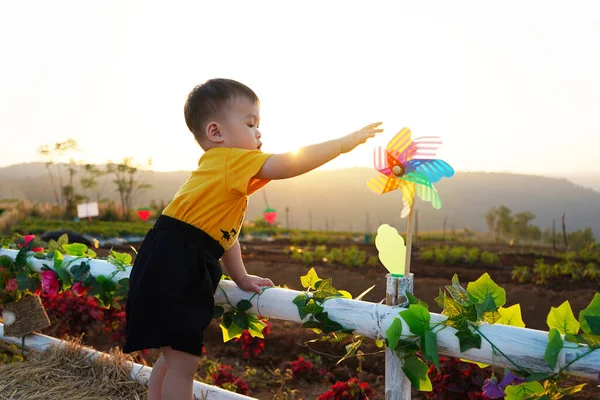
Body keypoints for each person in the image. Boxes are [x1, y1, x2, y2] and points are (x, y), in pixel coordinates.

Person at [123, 78, 383, 400]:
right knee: (184, 361)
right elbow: (288, 163)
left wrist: (241, 276)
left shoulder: (216, 172)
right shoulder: (231, 160)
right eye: (250, 123)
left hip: (167, 256)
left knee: (173, 355)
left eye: (259, 125)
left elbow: (224, 235)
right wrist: (343, 144)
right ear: (216, 132)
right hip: (177, 261)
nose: (259, 133)